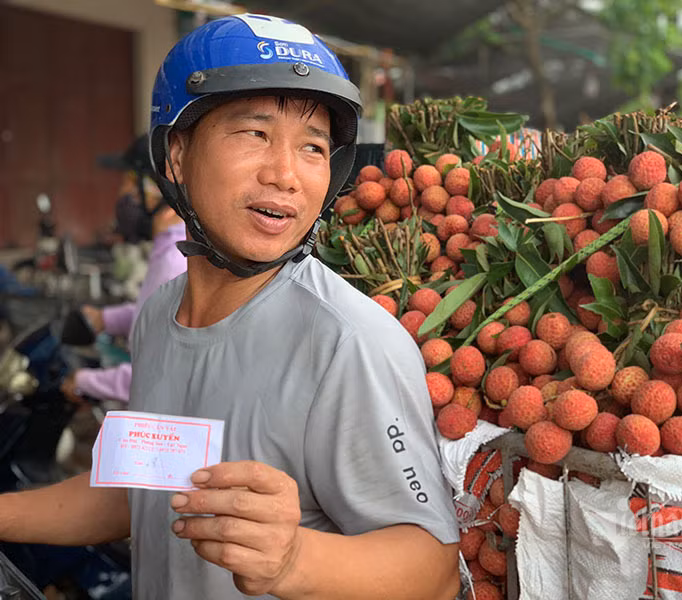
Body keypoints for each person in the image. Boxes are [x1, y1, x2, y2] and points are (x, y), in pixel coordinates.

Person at [0, 13, 461, 600]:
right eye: (255, 134)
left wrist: (295, 559)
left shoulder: (348, 340)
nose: (286, 174)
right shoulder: (159, 317)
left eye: (313, 147)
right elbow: (137, 492)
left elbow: (434, 568)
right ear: (175, 156)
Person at [61, 137, 187, 404]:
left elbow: (156, 377)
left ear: (161, 190)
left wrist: (85, 381)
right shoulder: (170, 250)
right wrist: (106, 318)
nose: (123, 194)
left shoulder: (176, 262)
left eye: (131, 182)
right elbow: (159, 313)